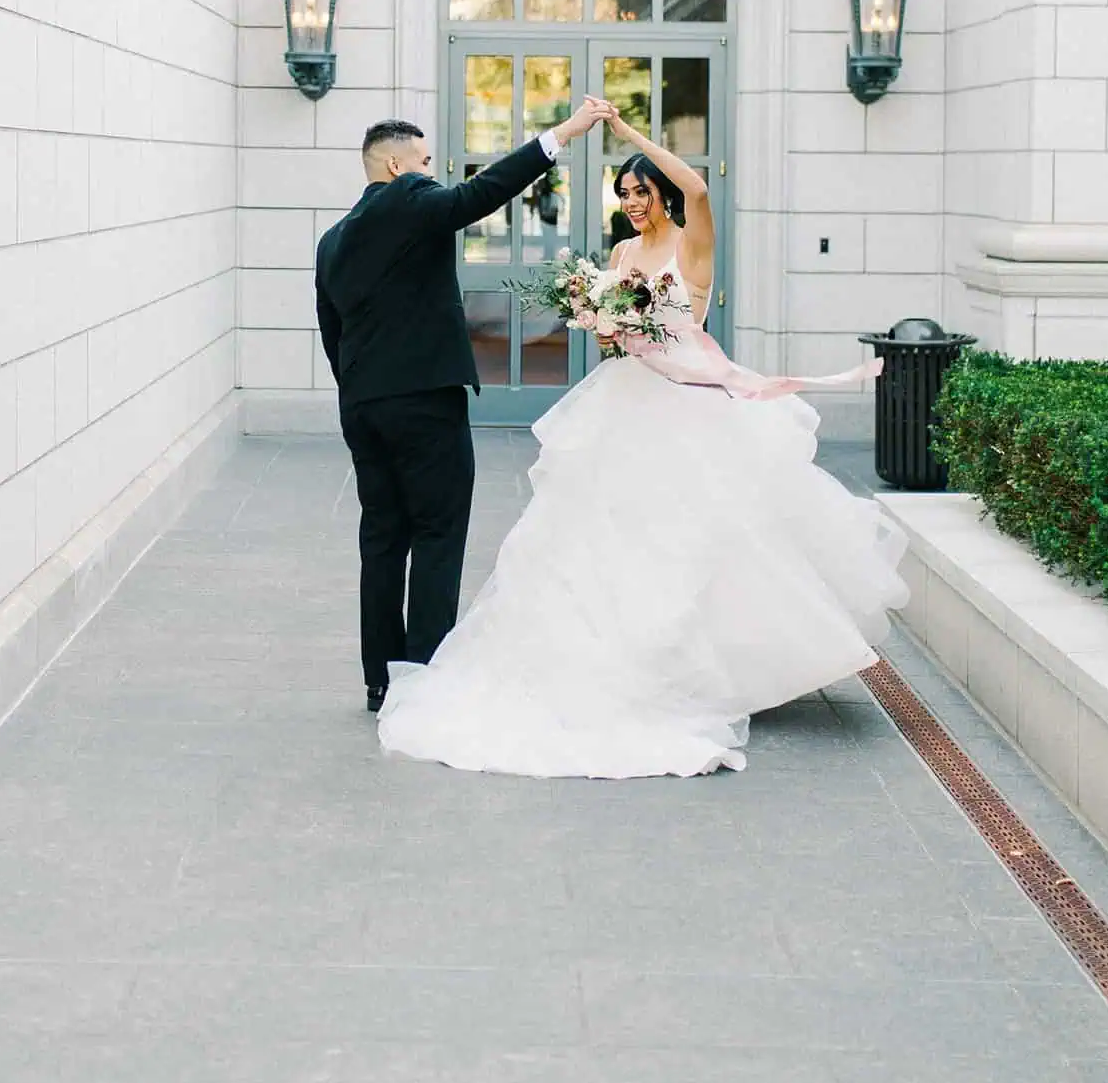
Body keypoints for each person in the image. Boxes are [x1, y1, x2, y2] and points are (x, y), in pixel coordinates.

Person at [378, 104, 907, 778]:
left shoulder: (692, 242)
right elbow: (618, 331)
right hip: (628, 403)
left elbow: (700, 190)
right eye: (624, 194)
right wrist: (603, 322)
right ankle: (616, 662)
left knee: (700, 540)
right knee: (610, 538)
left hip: (692, 411)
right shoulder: (624, 254)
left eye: (640, 191)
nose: (631, 204)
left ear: (660, 192)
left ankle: (710, 667)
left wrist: (627, 137)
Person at [316, 100, 609, 711]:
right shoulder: (409, 200)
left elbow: (331, 332)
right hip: (423, 403)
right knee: (438, 534)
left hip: (364, 407)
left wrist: (361, 393)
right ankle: (421, 675)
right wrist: (561, 136)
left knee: (382, 539)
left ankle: (379, 681)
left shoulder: (333, 240)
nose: (432, 173)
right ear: (395, 166)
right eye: (424, 162)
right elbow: (480, 195)